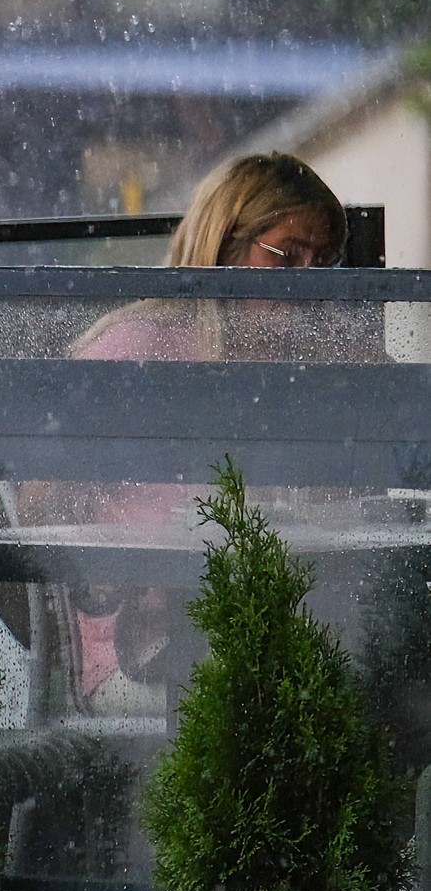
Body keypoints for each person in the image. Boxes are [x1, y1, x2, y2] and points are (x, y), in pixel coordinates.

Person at [37, 152, 349, 716]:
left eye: (323, 263)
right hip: (145, 644)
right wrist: (117, 573)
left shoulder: (306, 368)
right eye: (288, 256)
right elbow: (41, 501)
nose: (308, 283)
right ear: (225, 246)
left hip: (267, 623)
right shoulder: (138, 350)